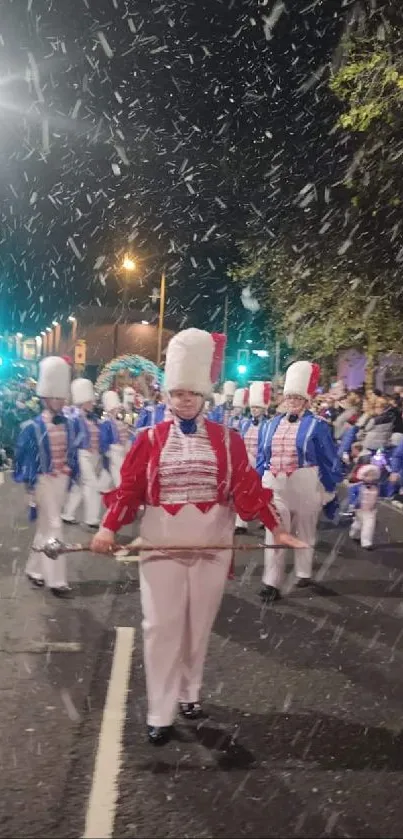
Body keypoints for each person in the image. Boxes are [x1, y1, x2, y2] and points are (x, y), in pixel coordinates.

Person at [90, 328, 304, 745]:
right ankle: (160, 710)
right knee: (161, 625)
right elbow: (130, 488)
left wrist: (277, 527)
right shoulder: (148, 439)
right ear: (167, 396)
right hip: (161, 545)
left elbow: (247, 490)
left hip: (212, 546)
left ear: (204, 396)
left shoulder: (229, 441)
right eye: (178, 393)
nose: (185, 400)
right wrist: (106, 528)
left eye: (192, 393)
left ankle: (190, 693)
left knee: (198, 624)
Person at [256, 360, 342, 603]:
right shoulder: (270, 424)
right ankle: (271, 583)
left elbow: (328, 458)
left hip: (306, 482)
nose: (292, 401)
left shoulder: (318, 425)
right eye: (289, 397)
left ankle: (304, 572)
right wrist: (256, 484)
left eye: (297, 397)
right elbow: (263, 457)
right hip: (276, 484)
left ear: (306, 400)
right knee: (275, 533)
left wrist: (330, 487)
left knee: (305, 531)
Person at [14, 357, 77, 597]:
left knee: (44, 527)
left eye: (62, 396)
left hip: (61, 481)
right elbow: (23, 458)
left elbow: (71, 451)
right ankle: (56, 580)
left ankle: (34, 569)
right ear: (44, 397)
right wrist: (30, 486)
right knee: (54, 526)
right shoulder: (31, 427)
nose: (60, 401)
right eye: (55, 396)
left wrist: (71, 471)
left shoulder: (70, 424)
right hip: (43, 481)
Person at [62, 378, 104, 528]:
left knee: (79, 486)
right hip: (81, 454)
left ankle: (67, 513)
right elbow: (71, 439)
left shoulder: (93, 418)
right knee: (92, 485)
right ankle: (91, 518)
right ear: (83, 401)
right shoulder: (74, 417)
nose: (93, 403)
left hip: (92, 456)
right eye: (90, 401)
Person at [235, 381, 271, 535]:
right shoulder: (244, 423)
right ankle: (240, 523)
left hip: (261, 461)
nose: (255, 410)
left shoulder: (268, 424)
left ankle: (265, 519)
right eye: (253, 407)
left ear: (263, 409)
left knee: (263, 491)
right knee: (242, 492)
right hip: (246, 461)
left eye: (258, 407)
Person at [99, 390, 133, 487]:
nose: (117, 410)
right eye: (114, 409)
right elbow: (104, 439)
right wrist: (108, 451)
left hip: (124, 450)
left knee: (122, 474)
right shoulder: (106, 423)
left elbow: (129, 431)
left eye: (117, 408)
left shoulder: (121, 420)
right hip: (115, 452)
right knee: (118, 477)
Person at [348, 463, 380, 549]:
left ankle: (366, 542)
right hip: (359, 510)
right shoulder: (357, 487)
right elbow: (352, 496)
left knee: (369, 525)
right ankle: (354, 534)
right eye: (368, 475)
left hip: (370, 511)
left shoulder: (377, 487)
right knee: (358, 525)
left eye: (372, 475)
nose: (370, 478)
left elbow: (382, 494)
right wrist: (352, 506)